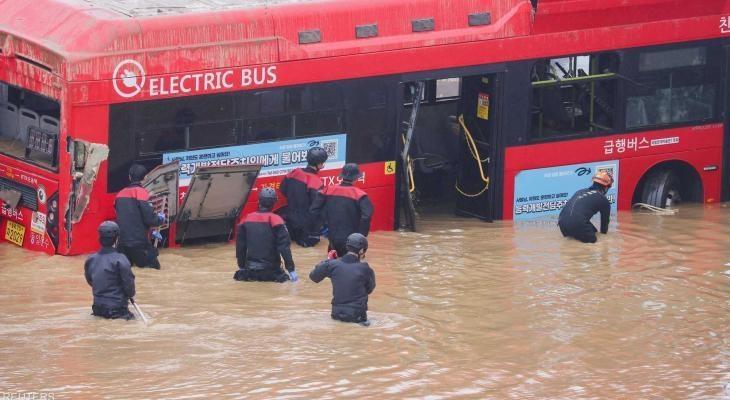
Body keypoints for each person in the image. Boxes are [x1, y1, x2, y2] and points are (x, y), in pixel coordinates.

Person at [309, 233, 375, 326]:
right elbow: (369, 289)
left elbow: (313, 277)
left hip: (336, 314)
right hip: (357, 316)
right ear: (361, 251)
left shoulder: (332, 265)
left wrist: (328, 261)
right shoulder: (365, 269)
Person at [234, 187, 297, 283]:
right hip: (271, 273)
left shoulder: (246, 219)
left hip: (250, 272)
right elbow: (284, 248)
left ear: (259, 201)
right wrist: (291, 270)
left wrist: (242, 266)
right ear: (274, 202)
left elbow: (240, 247)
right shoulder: (277, 220)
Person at [310, 163, 374, 257]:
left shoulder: (327, 190)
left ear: (342, 177)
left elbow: (314, 210)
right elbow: (366, 216)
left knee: (331, 266)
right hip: (352, 242)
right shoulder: (360, 195)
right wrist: (361, 236)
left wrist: (322, 228)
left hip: (333, 239)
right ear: (356, 178)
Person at [115, 164, 164, 269]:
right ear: (145, 177)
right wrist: (160, 219)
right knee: (155, 270)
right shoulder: (142, 193)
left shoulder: (119, 194)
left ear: (129, 177)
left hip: (122, 244)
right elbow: (150, 219)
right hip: (139, 244)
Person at [84, 221, 136, 320]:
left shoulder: (90, 260)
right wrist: (128, 295)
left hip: (97, 309)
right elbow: (129, 287)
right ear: (116, 239)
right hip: (117, 310)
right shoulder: (121, 259)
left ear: (99, 238)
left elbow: (91, 281)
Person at [280, 146, 328, 247]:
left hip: (290, 223)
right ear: (319, 164)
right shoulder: (315, 181)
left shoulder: (294, 172)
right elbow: (317, 208)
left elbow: (282, 189)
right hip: (305, 229)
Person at [558, 171, 614, 243]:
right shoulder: (603, 200)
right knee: (594, 244)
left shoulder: (580, 191)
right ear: (606, 187)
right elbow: (604, 226)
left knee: (593, 232)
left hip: (562, 222)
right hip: (578, 223)